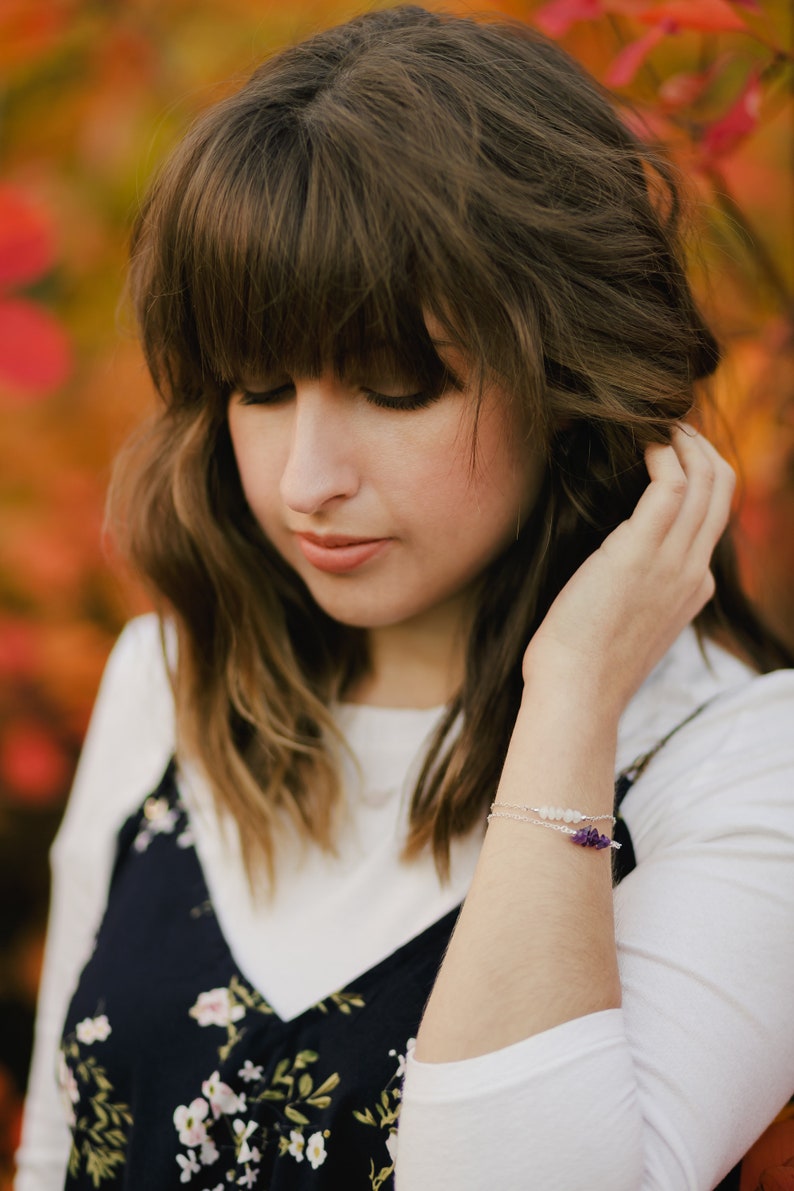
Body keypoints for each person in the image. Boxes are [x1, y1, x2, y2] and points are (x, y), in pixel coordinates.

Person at [15, 6, 794, 1189]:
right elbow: (54, 1155)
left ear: (567, 377)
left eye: (394, 388)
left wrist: (572, 696)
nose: (305, 481)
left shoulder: (736, 762)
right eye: (259, 388)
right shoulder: (163, 685)